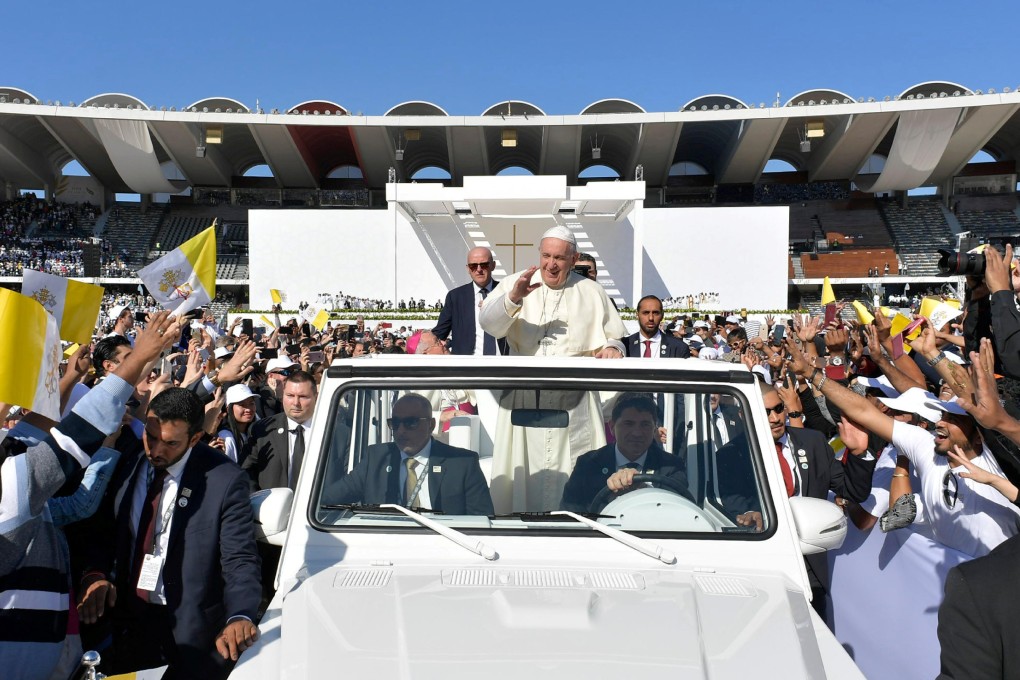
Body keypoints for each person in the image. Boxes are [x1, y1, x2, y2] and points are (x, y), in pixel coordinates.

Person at [0, 312, 178, 680]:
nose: (8, 406)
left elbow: (33, 433)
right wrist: (138, 359)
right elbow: (73, 437)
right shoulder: (8, 490)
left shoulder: (11, 463)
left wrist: (67, 378)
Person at [76, 387, 261, 679]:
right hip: (130, 625)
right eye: (150, 436)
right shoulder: (128, 459)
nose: (156, 450)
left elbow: (239, 558)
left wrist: (240, 614)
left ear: (195, 438)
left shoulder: (224, 479)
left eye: (171, 443)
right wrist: (94, 575)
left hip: (194, 636)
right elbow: (104, 531)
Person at [478, 225, 627, 513]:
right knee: (522, 469)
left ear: (573, 259)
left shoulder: (592, 291)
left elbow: (615, 337)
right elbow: (489, 325)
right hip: (524, 395)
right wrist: (514, 299)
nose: (551, 264)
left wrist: (612, 348)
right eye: (546, 256)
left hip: (575, 401)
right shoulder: (516, 282)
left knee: (575, 469)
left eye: (559, 258)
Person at [727, 382, 876, 618]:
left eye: (778, 408)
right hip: (762, 565)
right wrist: (754, 515)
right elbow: (730, 506)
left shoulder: (813, 442)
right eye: (765, 412)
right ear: (743, 414)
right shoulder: (729, 456)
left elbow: (852, 491)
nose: (775, 418)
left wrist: (858, 454)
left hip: (810, 566)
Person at [326, 394, 494, 515]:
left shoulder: (461, 463)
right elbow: (332, 496)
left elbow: (482, 519)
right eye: (395, 423)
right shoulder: (377, 458)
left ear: (431, 425)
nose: (401, 431)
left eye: (410, 423)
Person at [560, 395, 690, 513]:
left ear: (654, 429)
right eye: (628, 424)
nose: (637, 433)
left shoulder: (672, 466)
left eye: (645, 425)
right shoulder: (587, 464)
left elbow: (679, 509)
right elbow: (571, 514)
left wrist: (643, 486)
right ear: (611, 427)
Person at [242, 370, 317, 491]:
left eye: (303, 397)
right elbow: (246, 472)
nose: (296, 403)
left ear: (316, 397)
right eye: (290, 396)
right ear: (282, 395)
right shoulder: (262, 430)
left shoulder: (335, 431)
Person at [431, 246, 508, 356]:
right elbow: (440, 333)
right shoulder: (456, 297)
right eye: (473, 266)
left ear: (493, 266)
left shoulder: (506, 291)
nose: (479, 269)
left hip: (503, 364)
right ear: (468, 269)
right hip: (466, 366)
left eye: (484, 264)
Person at [623, 295, 690, 358]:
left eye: (655, 313)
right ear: (637, 315)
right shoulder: (624, 345)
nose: (651, 318)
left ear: (662, 316)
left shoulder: (679, 348)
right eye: (646, 313)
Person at [219, 383, 259, 466]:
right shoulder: (226, 438)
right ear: (228, 409)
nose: (248, 409)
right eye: (242, 405)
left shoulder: (253, 432)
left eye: (251, 403)